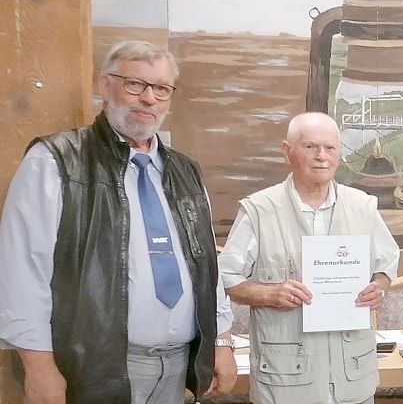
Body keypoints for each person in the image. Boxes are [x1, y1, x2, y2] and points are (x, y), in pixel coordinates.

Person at [0, 40, 236, 403]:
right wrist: (38, 366)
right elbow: (21, 271)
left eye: (161, 89)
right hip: (97, 368)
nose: (148, 99)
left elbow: (209, 269)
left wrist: (220, 342)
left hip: (177, 367)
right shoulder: (56, 162)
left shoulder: (186, 172)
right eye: (134, 84)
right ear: (104, 86)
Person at [218, 111, 399, 404]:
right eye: (310, 147)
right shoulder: (259, 210)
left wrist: (378, 287)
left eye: (330, 148)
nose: (321, 157)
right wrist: (269, 294)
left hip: (352, 378)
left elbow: (386, 265)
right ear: (287, 152)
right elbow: (226, 279)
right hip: (286, 380)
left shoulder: (363, 207)